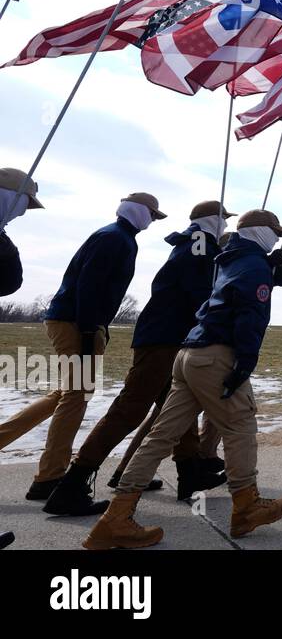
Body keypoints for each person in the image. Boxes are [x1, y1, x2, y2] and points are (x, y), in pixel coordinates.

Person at [83, 209, 282, 549]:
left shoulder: (227, 258)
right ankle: (246, 506)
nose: (277, 238)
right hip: (218, 354)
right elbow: (250, 314)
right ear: (260, 231)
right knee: (240, 427)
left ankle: (115, 518)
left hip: (188, 354)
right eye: (274, 232)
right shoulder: (254, 264)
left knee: (160, 437)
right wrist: (245, 362)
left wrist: (273, 270)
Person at [45, 201, 232, 517]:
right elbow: (199, 291)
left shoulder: (196, 243)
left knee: (178, 406)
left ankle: (189, 474)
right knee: (129, 410)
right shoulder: (201, 243)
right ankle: (72, 483)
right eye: (223, 220)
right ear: (211, 220)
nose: (225, 225)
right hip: (165, 339)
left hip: (170, 337)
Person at [1, 192, 164, 502]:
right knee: (75, 396)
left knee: (65, 395)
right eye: (152, 216)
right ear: (141, 212)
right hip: (75, 323)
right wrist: (90, 330)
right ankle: (49, 477)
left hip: (73, 320)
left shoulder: (116, 236)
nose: (152, 222)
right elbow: (90, 284)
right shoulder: (115, 238)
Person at [0, 167, 42, 297]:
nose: (21, 213)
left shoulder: (3, 241)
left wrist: (8, 254)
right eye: (24, 205)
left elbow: (9, 284)